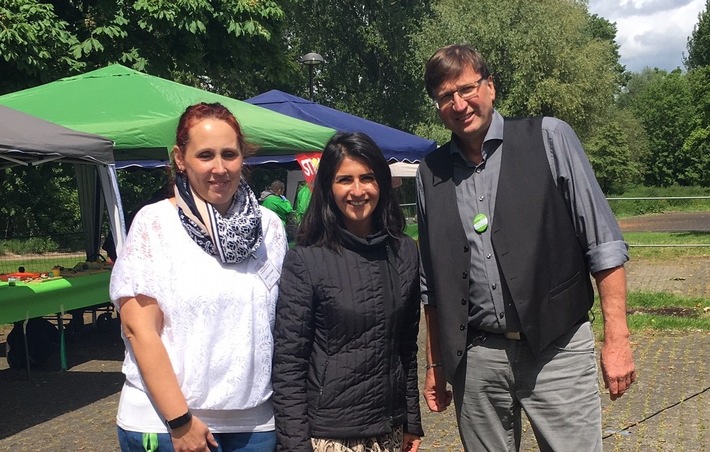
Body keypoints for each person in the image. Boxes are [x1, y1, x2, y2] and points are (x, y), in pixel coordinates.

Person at [417, 44, 636, 451]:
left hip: (558, 348)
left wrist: (617, 339)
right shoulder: (430, 173)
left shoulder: (550, 137)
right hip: (477, 359)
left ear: (491, 87)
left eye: (467, 89)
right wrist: (436, 363)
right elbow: (433, 283)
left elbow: (604, 244)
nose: (459, 103)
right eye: (446, 96)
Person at [110, 102, 288, 452]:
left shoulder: (270, 228)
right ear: (181, 158)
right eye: (205, 155)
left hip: (255, 426)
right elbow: (138, 328)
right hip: (168, 426)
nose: (219, 168)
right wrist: (180, 421)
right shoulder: (155, 223)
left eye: (229, 154)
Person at [272, 132, 424, 452]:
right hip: (329, 434)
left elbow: (407, 349)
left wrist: (411, 420)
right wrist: (295, 445)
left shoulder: (405, 253)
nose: (357, 191)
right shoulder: (306, 260)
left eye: (367, 178)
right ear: (329, 187)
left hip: (389, 428)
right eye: (345, 180)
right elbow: (288, 366)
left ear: (381, 182)